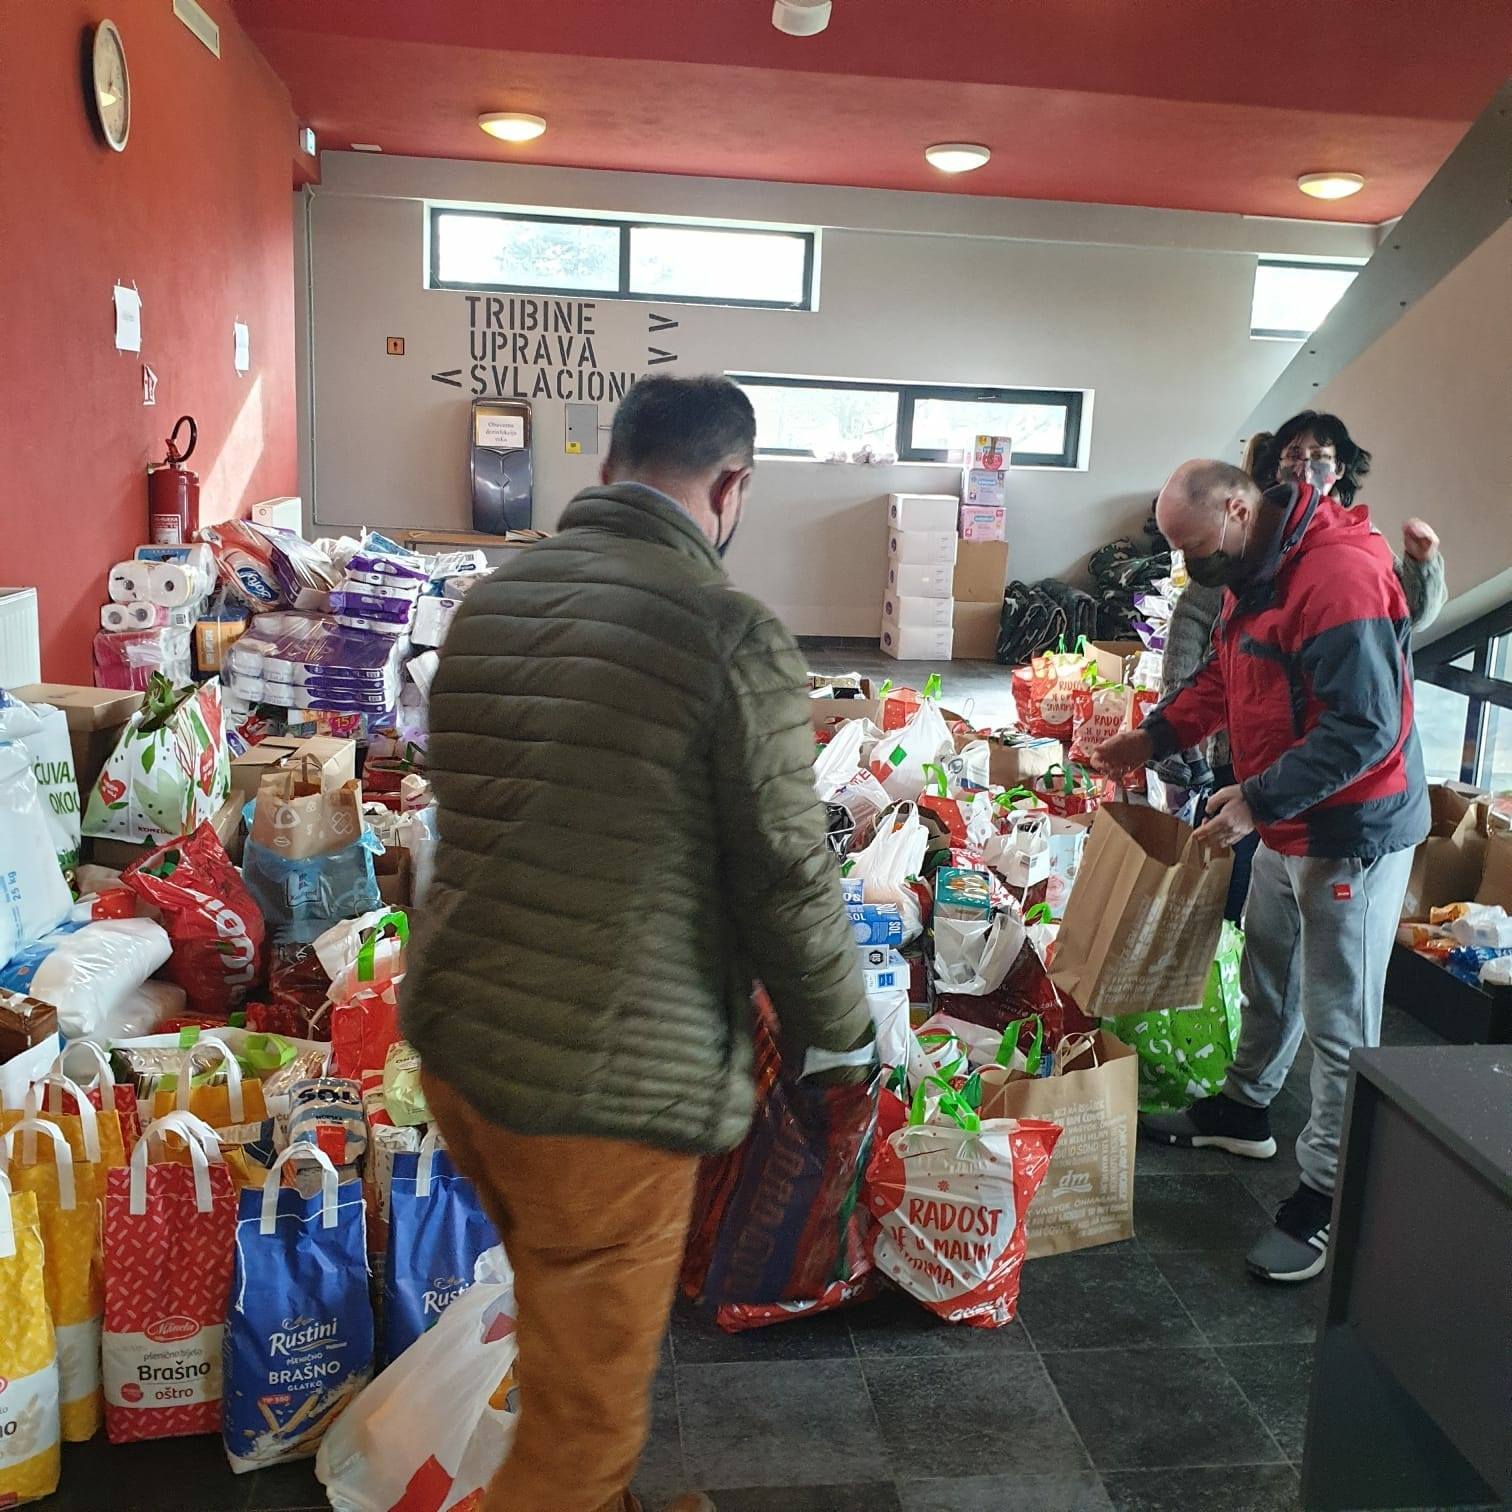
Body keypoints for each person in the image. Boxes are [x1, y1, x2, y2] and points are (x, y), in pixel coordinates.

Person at [402, 375, 876, 1512]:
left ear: (610, 466)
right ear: (732, 485)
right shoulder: (727, 630)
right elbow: (786, 872)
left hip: (462, 1048)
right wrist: (845, 1038)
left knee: (563, 1323)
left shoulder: (495, 602)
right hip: (599, 1089)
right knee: (584, 1434)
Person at [1094, 459, 1428, 1283]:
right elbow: (1227, 675)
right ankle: (1245, 1108)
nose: (1187, 563)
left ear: (1238, 510)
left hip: (1349, 826)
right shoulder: (1253, 568)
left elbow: (1365, 730)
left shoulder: (1338, 577)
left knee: (1339, 1018)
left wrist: (1255, 800)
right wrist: (1153, 737)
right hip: (1285, 810)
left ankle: (1329, 1195)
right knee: (1268, 965)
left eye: (1194, 546)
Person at [1160, 412, 1445, 922]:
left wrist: (1423, 566)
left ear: (1341, 469)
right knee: (1254, 926)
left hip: (1338, 803)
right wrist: (1165, 731)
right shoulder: (1246, 549)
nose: (1305, 466)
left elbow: (1398, 641)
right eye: (1294, 454)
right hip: (1255, 762)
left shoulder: (1348, 556)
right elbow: (1205, 643)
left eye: (1319, 456)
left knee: (1323, 966)